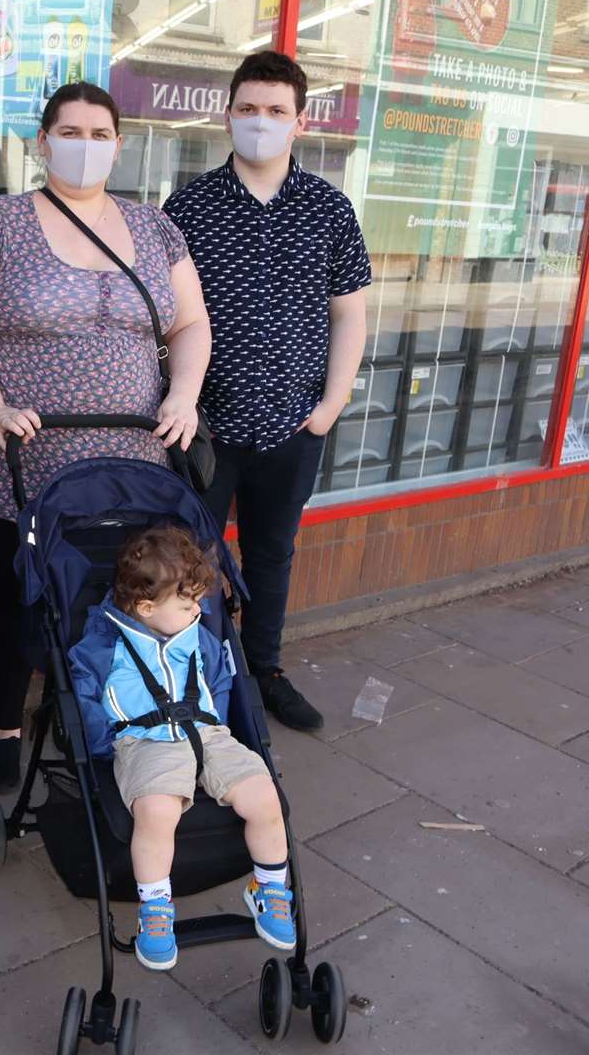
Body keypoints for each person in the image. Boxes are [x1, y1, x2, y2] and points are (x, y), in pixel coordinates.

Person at [0, 81, 213, 794]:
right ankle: (5, 724)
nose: (84, 146)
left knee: (120, 595)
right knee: (19, 596)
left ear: (119, 145)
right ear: (42, 142)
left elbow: (188, 324)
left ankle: (98, 711)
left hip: (130, 461)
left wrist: (182, 394)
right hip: (21, 456)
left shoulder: (155, 230)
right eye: (70, 132)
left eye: (99, 134)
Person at [162, 52, 371, 733]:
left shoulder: (329, 210)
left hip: (293, 425)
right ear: (228, 113)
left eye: (276, 111)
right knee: (187, 560)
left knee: (273, 553)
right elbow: (165, 317)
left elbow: (350, 310)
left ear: (299, 121)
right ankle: (190, 676)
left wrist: (331, 403)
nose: (261, 122)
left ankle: (264, 671)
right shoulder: (187, 207)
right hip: (207, 429)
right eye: (248, 109)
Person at [69, 526, 294, 971]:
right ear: (147, 607)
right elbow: (84, 693)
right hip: (145, 741)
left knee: (266, 796)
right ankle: (155, 908)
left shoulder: (199, 635)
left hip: (208, 733)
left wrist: (223, 723)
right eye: (188, 602)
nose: (199, 609)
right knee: (158, 811)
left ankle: (268, 887)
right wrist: (103, 744)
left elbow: (220, 681)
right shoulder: (106, 643)